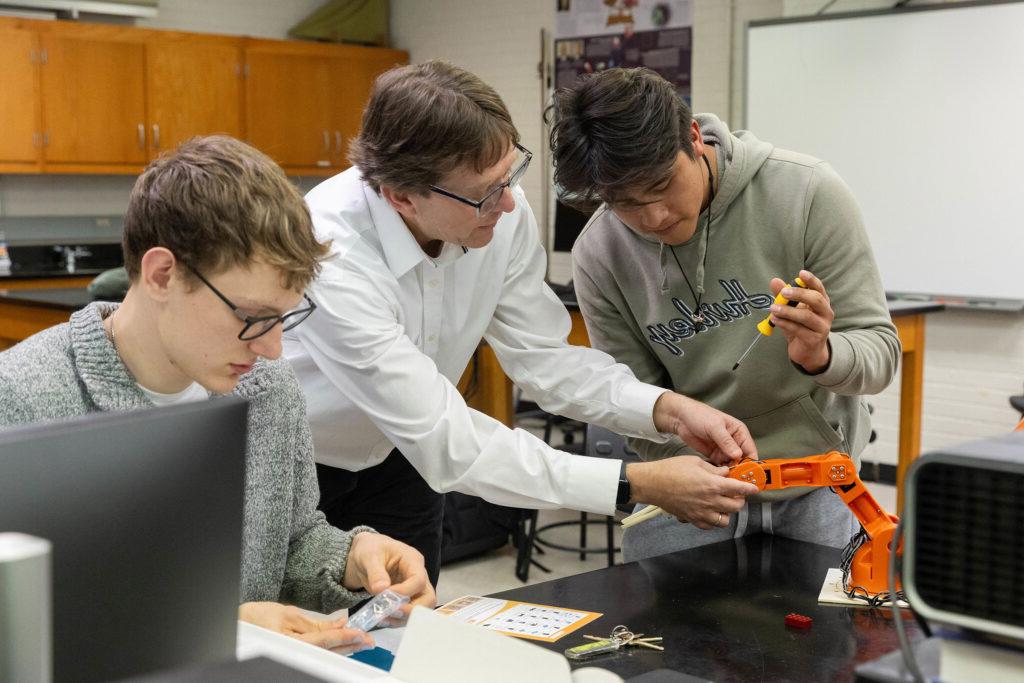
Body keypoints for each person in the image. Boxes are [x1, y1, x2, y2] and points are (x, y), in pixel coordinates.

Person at [283, 60, 760, 584]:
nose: (509, 203)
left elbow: (544, 358)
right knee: (292, 641)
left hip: (402, 460)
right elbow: (448, 439)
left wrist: (666, 410)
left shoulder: (499, 210)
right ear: (402, 196)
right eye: (486, 192)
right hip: (295, 465)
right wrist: (635, 484)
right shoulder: (332, 251)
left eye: (512, 173)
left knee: (402, 629)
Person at [0, 136, 435, 651]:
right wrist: (220, 628)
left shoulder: (265, 386)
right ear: (162, 274)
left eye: (284, 318)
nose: (273, 349)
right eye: (251, 318)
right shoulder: (22, 401)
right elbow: (22, 630)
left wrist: (351, 556)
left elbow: (290, 541)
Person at [546, 67, 900, 561]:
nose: (653, 218)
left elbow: (880, 355)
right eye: (624, 203)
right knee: (653, 628)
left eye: (662, 184)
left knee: (850, 626)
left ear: (692, 137)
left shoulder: (808, 193)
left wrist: (823, 354)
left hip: (820, 475)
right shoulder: (599, 253)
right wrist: (691, 478)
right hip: (698, 485)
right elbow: (630, 399)